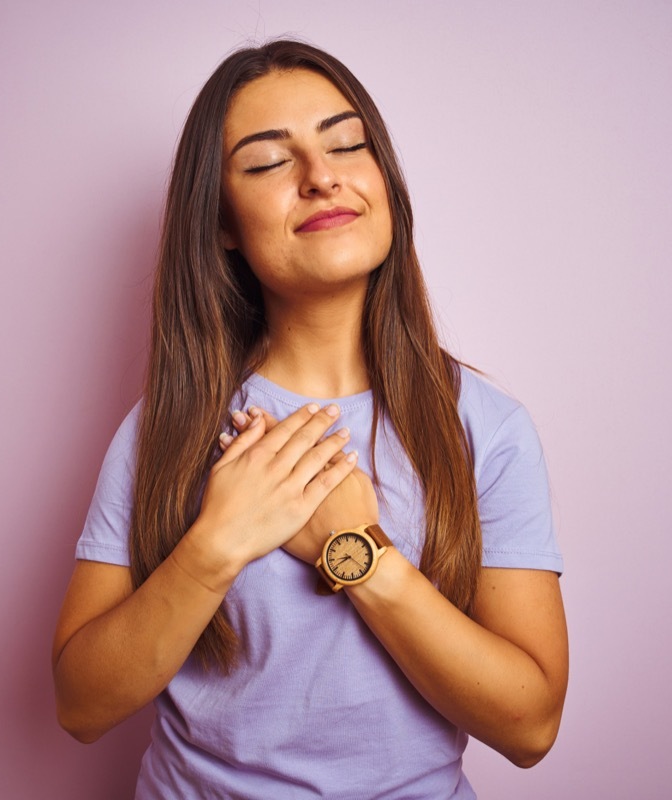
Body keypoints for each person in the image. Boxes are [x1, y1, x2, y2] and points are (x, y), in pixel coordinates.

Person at [52, 39, 568, 798]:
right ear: (221, 222)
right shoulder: (167, 430)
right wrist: (215, 545)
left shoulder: (487, 428)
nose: (321, 176)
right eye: (267, 163)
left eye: (346, 144)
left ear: (382, 178)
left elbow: (530, 728)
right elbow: (80, 705)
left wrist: (355, 552)